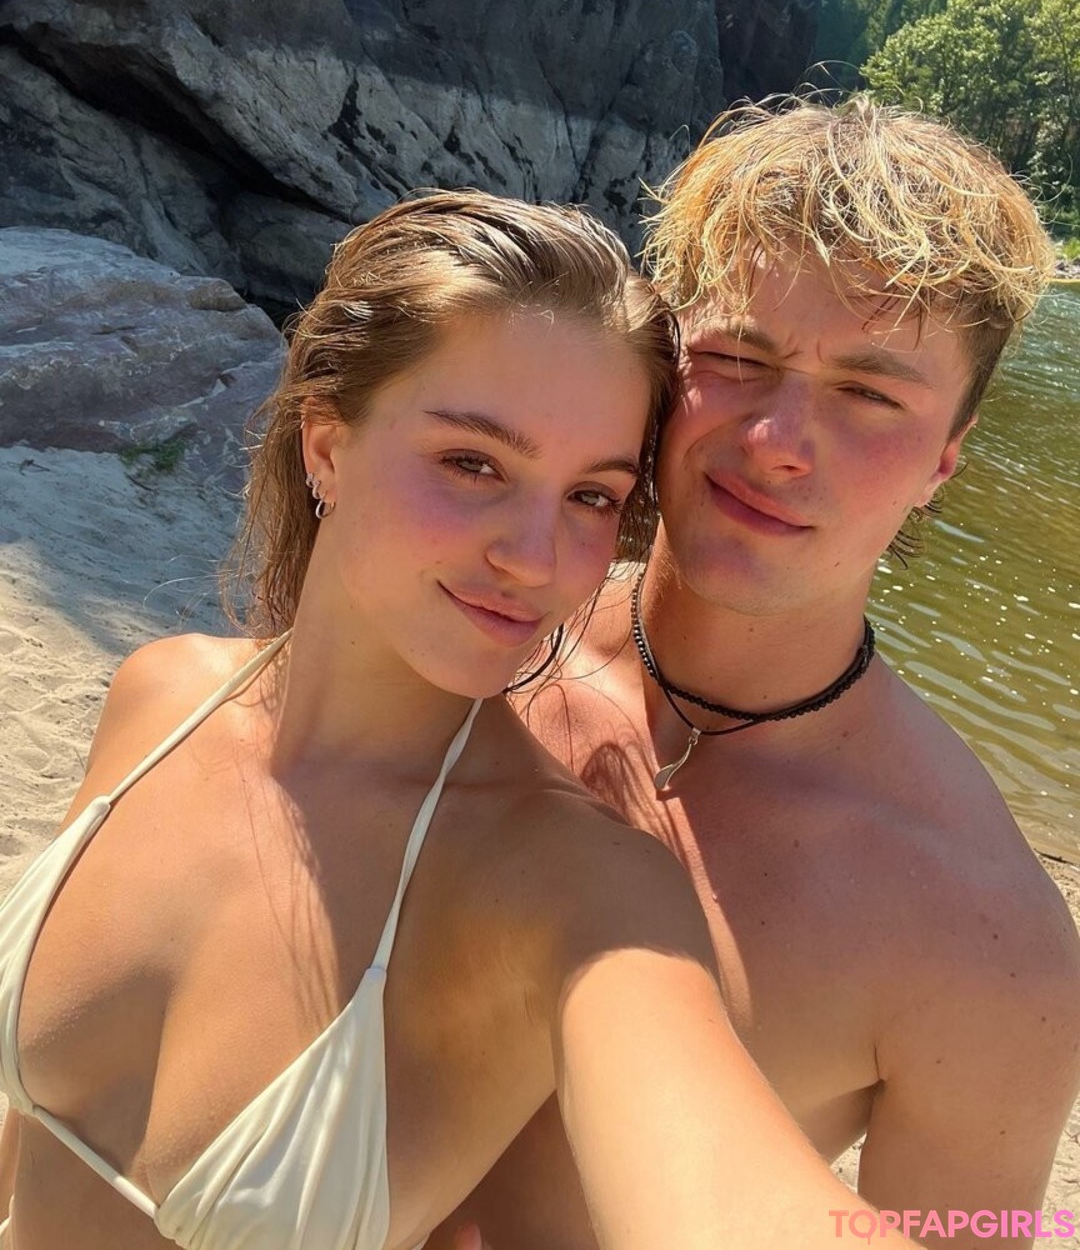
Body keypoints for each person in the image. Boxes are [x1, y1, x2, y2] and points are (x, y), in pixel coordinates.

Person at [0, 191, 912, 1250]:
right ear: (327, 445)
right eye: (474, 463)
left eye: (591, 496)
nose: (534, 557)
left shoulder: (575, 890)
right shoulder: (160, 696)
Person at [431, 101, 1080, 1250]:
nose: (779, 437)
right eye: (737, 358)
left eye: (869, 394)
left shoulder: (987, 940)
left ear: (945, 459)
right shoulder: (475, 638)